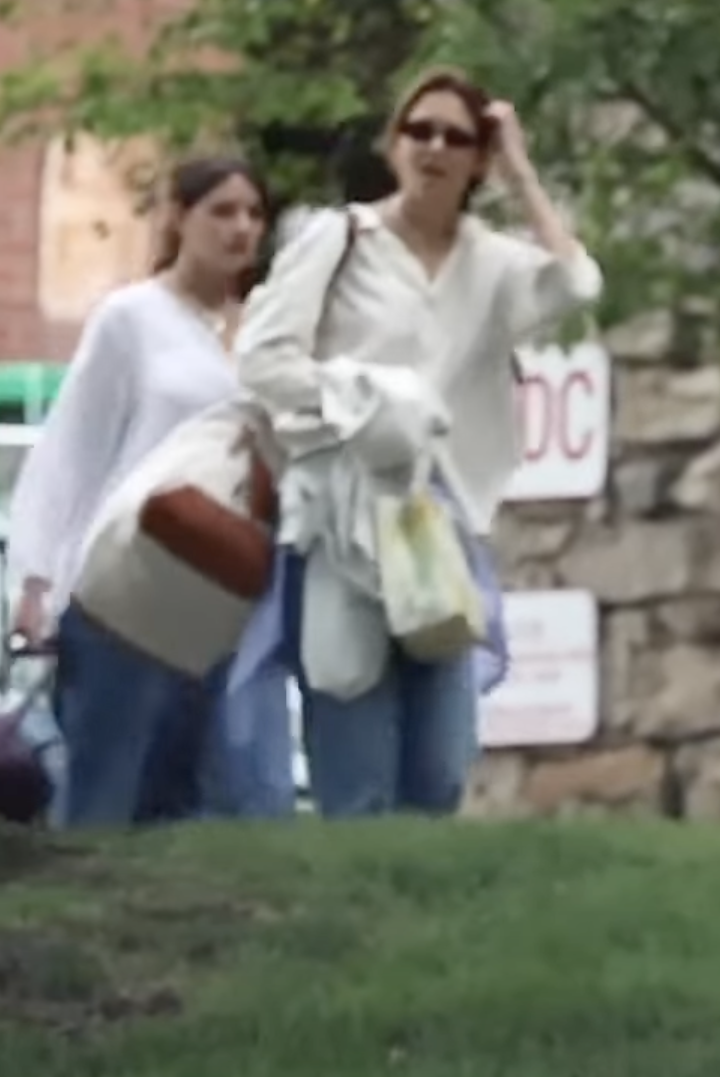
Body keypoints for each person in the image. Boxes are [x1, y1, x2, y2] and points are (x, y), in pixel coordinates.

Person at [230, 69, 602, 817]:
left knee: (439, 760)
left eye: (456, 137)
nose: (434, 147)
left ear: (478, 159)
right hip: (346, 512)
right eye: (418, 130)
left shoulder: (489, 260)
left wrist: (523, 172)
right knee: (356, 735)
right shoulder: (342, 239)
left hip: (439, 520)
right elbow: (263, 360)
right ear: (393, 144)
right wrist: (366, 399)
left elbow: (577, 285)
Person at [4, 156, 299, 827]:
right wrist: (36, 578)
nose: (241, 228)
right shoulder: (132, 319)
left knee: (227, 795)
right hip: (129, 585)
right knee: (109, 790)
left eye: (254, 214)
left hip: (226, 588)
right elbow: (73, 449)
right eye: (222, 211)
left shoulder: (266, 329)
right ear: (179, 217)